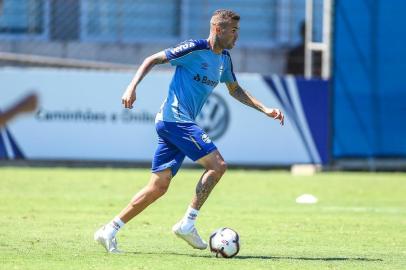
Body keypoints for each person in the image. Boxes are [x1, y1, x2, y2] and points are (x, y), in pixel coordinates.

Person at [94, 9, 284, 253]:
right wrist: (131, 87)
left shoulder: (224, 59)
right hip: (176, 120)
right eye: (234, 31)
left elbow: (234, 89)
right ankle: (187, 223)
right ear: (218, 29)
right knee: (218, 166)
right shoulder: (195, 48)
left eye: (238, 31)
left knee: (158, 187)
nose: (237, 36)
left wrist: (265, 108)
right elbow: (151, 59)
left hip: (173, 123)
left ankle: (109, 229)